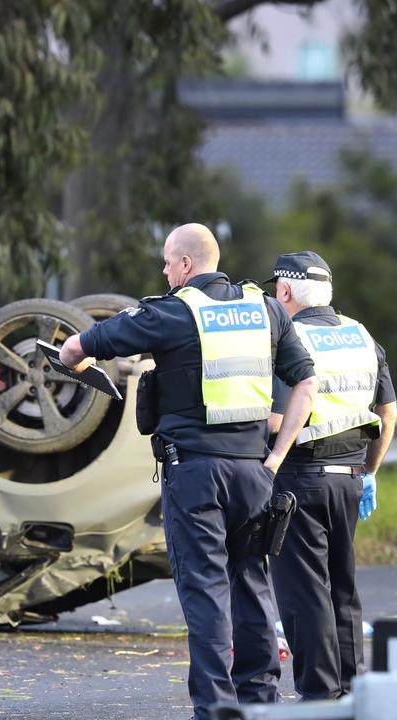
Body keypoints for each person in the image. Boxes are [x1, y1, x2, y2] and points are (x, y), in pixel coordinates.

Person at [59, 223, 318, 720]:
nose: (163, 270)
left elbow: (76, 348)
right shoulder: (264, 309)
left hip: (196, 474)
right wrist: (277, 458)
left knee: (205, 591)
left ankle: (217, 710)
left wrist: (70, 363)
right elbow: (306, 381)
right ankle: (260, 705)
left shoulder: (172, 311)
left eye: (166, 261)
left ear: (184, 265)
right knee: (251, 583)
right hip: (254, 474)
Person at [263, 251, 396, 700]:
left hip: (299, 478)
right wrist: (371, 470)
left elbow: (280, 422)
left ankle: (319, 698)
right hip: (350, 477)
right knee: (343, 588)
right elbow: (388, 410)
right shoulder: (360, 335)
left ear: (285, 292)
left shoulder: (290, 338)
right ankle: (352, 691)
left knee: (304, 593)